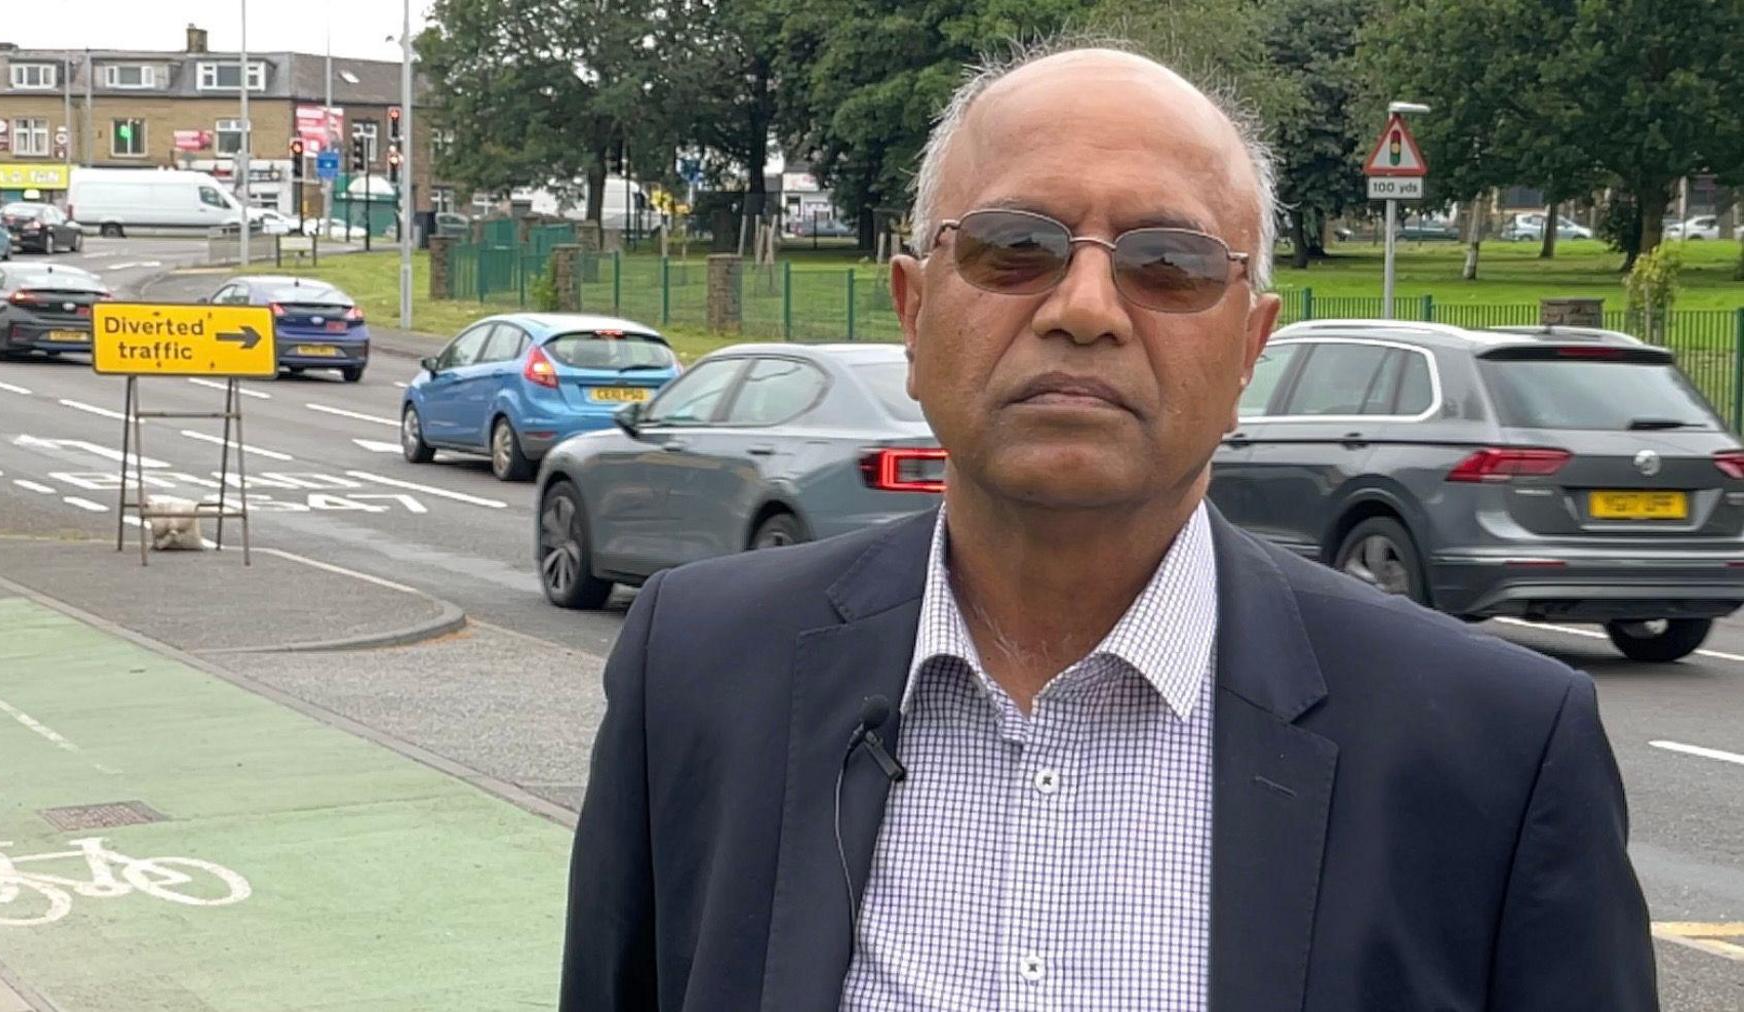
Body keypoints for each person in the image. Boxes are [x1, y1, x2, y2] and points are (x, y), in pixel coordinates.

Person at [561, 43, 1657, 1012]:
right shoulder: (697, 670)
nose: (1083, 306)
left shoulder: (1497, 750)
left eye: (1169, 264)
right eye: (1014, 247)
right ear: (912, 306)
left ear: (1249, 345)